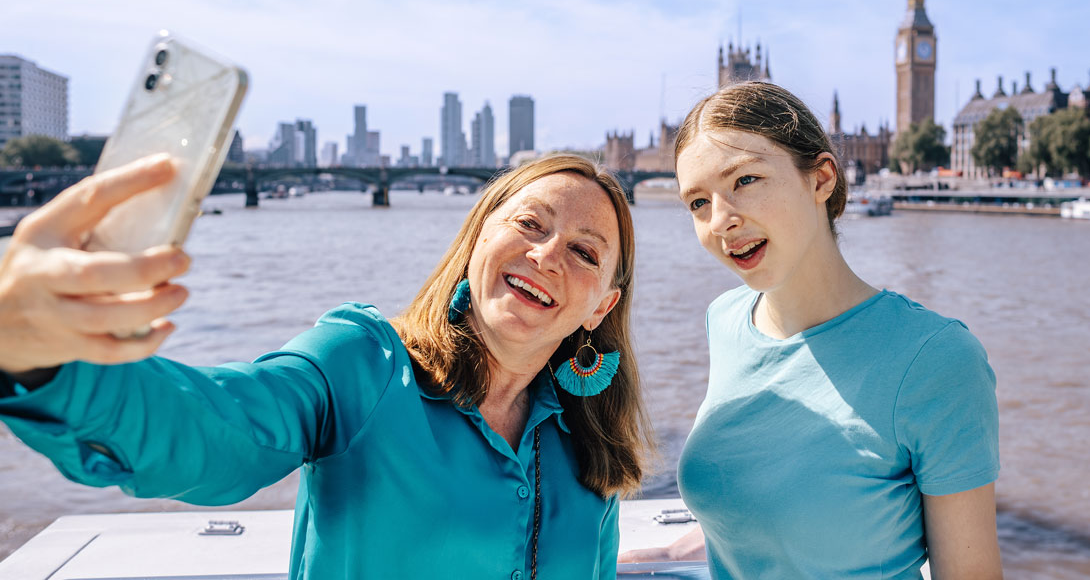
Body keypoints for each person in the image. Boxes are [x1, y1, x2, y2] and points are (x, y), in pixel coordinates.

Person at [0, 152, 651, 580]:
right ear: (480, 234)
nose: (545, 256)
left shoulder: (592, 441)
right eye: (529, 224)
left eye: (585, 253)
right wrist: (42, 358)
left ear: (601, 307)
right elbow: (213, 432)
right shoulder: (363, 365)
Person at [622, 81, 1002, 579]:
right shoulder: (726, 320)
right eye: (697, 202)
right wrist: (675, 554)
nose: (721, 221)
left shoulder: (935, 358)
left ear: (821, 179)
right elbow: (767, 494)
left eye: (746, 181)